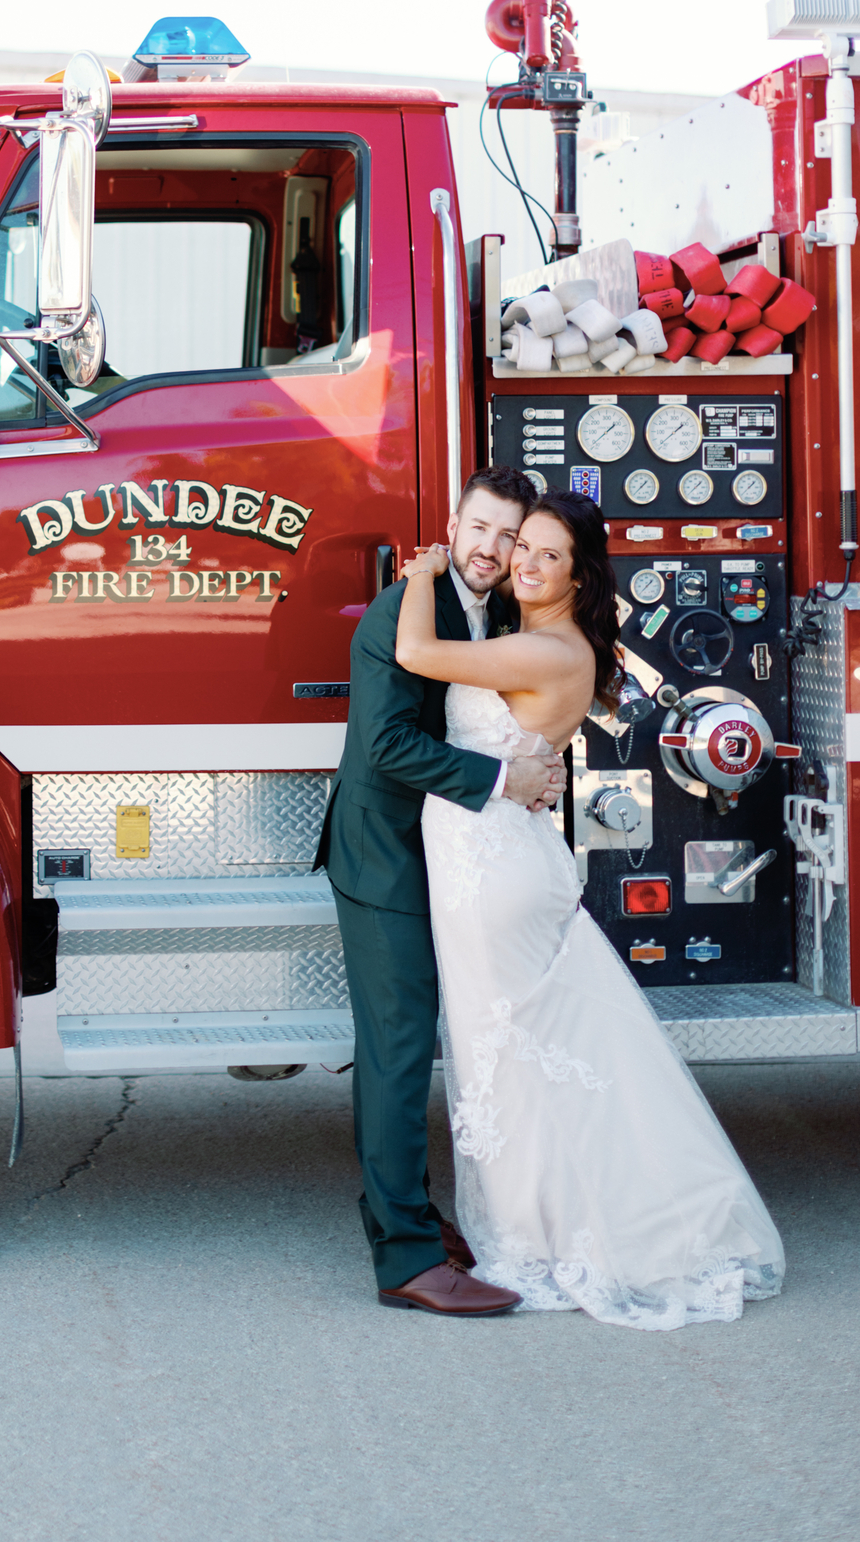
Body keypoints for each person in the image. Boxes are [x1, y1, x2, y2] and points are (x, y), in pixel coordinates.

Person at [396, 489, 785, 1328]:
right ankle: (539, 1224)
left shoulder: (546, 649)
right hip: (489, 861)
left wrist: (423, 575)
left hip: (493, 876)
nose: (523, 564)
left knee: (506, 1060)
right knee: (518, 1060)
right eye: (521, 547)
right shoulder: (543, 640)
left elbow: (420, 654)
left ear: (579, 575)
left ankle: (544, 1236)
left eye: (546, 555)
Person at [316, 465, 566, 1317]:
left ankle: (411, 1217)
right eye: (482, 528)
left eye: (509, 535)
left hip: (446, 858)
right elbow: (386, 746)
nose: (493, 548)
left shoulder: (494, 612)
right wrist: (505, 777)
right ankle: (406, 1261)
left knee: (421, 1043)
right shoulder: (402, 609)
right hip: (382, 858)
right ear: (452, 526)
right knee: (395, 1053)